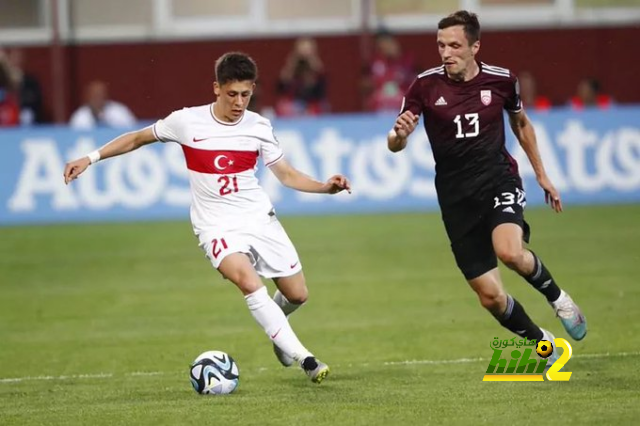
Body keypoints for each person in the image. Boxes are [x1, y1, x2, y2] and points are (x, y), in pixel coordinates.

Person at [63, 52, 350, 384]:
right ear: (216, 88)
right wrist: (90, 157)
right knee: (247, 281)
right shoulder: (187, 121)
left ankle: (279, 334)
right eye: (232, 94)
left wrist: (325, 187)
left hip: (258, 217)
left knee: (298, 294)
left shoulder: (258, 127)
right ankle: (305, 358)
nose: (239, 102)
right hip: (214, 224)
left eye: (246, 94)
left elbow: (286, 174)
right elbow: (137, 137)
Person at [387, 11, 587, 365]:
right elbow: (395, 141)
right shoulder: (424, 85)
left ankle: (560, 301)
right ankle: (546, 345)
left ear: (475, 46)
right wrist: (398, 136)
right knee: (490, 297)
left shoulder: (502, 81)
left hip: (498, 180)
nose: (445, 53)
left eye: (454, 45)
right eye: (440, 45)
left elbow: (521, 123)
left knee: (509, 252)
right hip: (455, 199)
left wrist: (541, 174)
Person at [361, 29, 416, 112]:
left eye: (386, 42)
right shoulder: (374, 61)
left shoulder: (407, 60)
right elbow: (363, 83)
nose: (384, 45)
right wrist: (376, 82)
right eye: (380, 43)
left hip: (402, 105)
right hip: (380, 106)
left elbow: (419, 81)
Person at [275, 37, 328, 117]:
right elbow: (281, 87)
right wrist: (292, 65)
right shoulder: (292, 68)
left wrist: (313, 63)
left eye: (308, 49)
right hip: (293, 105)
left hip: (313, 104)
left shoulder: (317, 69)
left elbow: (321, 90)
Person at [69, 80, 136, 129]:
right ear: (88, 97)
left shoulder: (119, 111)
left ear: (106, 96)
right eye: (95, 96)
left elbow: (133, 130)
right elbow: (73, 135)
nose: (98, 99)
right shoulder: (80, 116)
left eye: (100, 95)